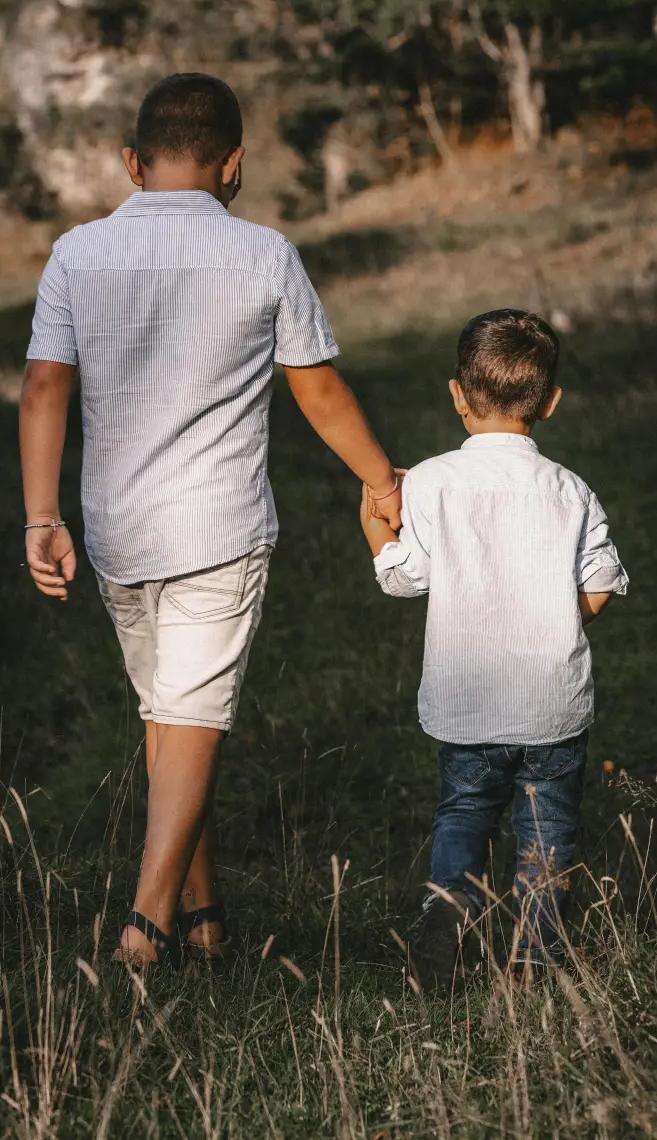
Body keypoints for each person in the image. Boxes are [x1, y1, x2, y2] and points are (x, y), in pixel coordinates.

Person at [20, 72, 403, 970]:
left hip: (118, 528)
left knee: (169, 719)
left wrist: (42, 516)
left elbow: (44, 387)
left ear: (131, 162)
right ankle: (147, 927)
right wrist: (383, 479)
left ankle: (207, 917)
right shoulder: (265, 254)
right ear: (235, 165)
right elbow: (318, 390)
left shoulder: (78, 253)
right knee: (188, 719)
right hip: (218, 529)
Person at [358, 309, 628, 988]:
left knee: (465, 814)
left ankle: (449, 918)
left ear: (457, 394)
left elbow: (405, 579)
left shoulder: (430, 483)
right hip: (552, 703)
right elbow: (601, 585)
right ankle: (534, 959)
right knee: (548, 831)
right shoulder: (571, 490)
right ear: (552, 402)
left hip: (466, 704)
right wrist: (548, 621)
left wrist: (375, 530)